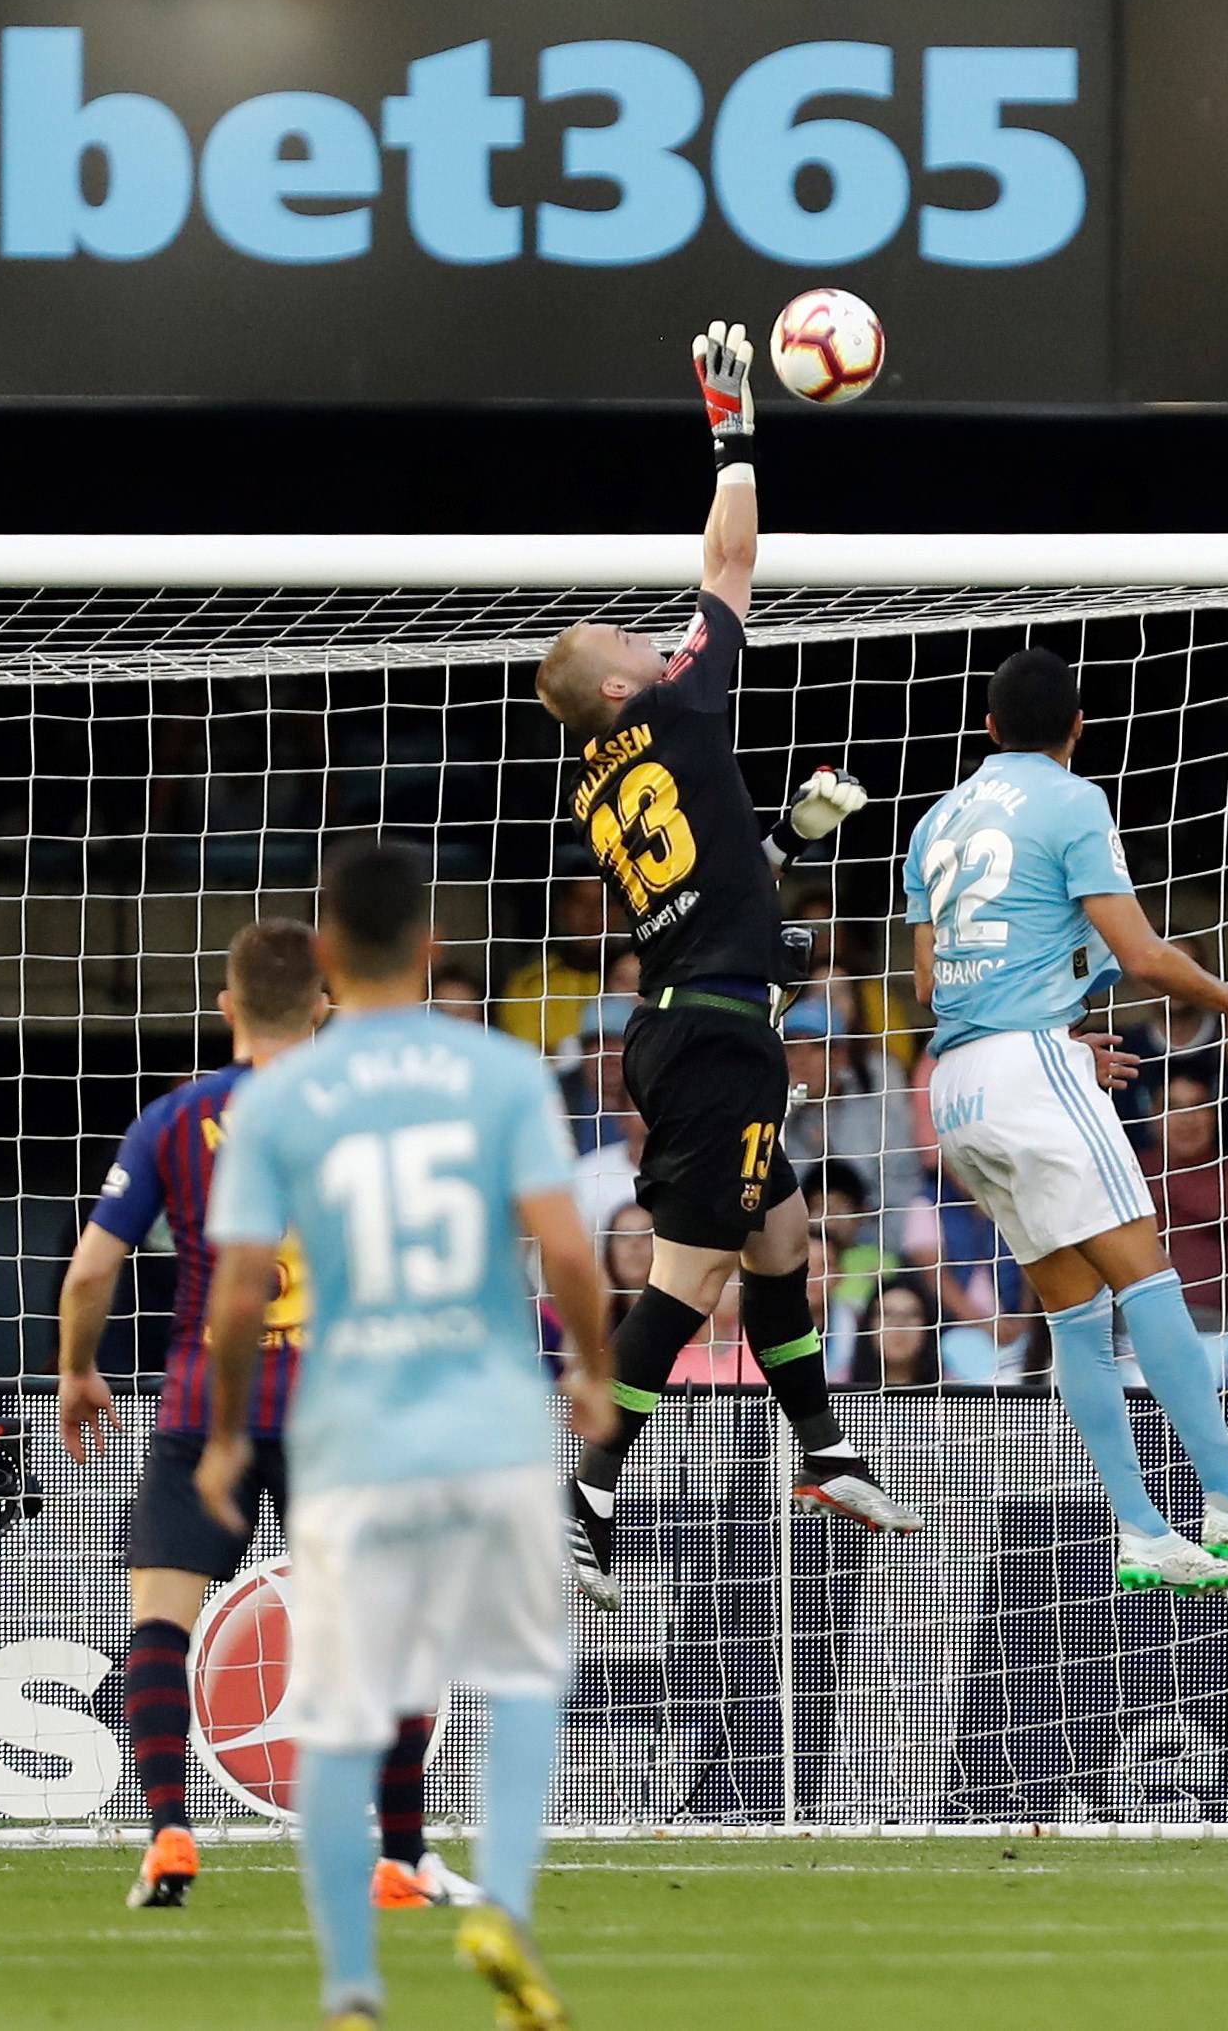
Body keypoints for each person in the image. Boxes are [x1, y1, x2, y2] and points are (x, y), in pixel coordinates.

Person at [192, 842, 608, 2031]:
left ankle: (351, 1988)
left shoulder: (278, 1098)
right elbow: (566, 1249)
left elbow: (235, 1295)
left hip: (351, 1431)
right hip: (489, 1422)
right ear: (430, 948)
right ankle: (503, 1905)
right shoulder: (500, 1070)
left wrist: (224, 1434)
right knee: (522, 1672)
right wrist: (589, 1367)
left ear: (324, 953)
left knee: (338, 1711)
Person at [535, 326, 913, 1614]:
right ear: (616, 683)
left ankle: (827, 1451)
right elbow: (731, 561)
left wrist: (787, 842)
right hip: (712, 1040)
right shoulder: (676, 705)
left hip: (692, 1015)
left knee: (782, 1236)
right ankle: (585, 1498)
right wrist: (731, 429)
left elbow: (706, 878)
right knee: (690, 1280)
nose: (653, 639)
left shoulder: (596, 781)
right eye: (629, 638)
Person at [54, 923, 467, 1918]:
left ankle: (169, 1830)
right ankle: (400, 1859)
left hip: (208, 1406)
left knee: (161, 1620)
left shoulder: (174, 1118)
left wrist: (74, 1370)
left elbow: (92, 1270)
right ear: (323, 1006)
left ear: (228, 1006)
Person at [907, 643, 1228, 1580]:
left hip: (958, 1088)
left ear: (988, 727)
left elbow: (930, 981)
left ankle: (1141, 1526)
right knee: (1147, 1279)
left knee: (1075, 1308)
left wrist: (1052, 1031)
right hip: (1028, 1071)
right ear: (1079, 727)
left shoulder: (936, 820)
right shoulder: (1073, 799)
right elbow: (1141, 955)